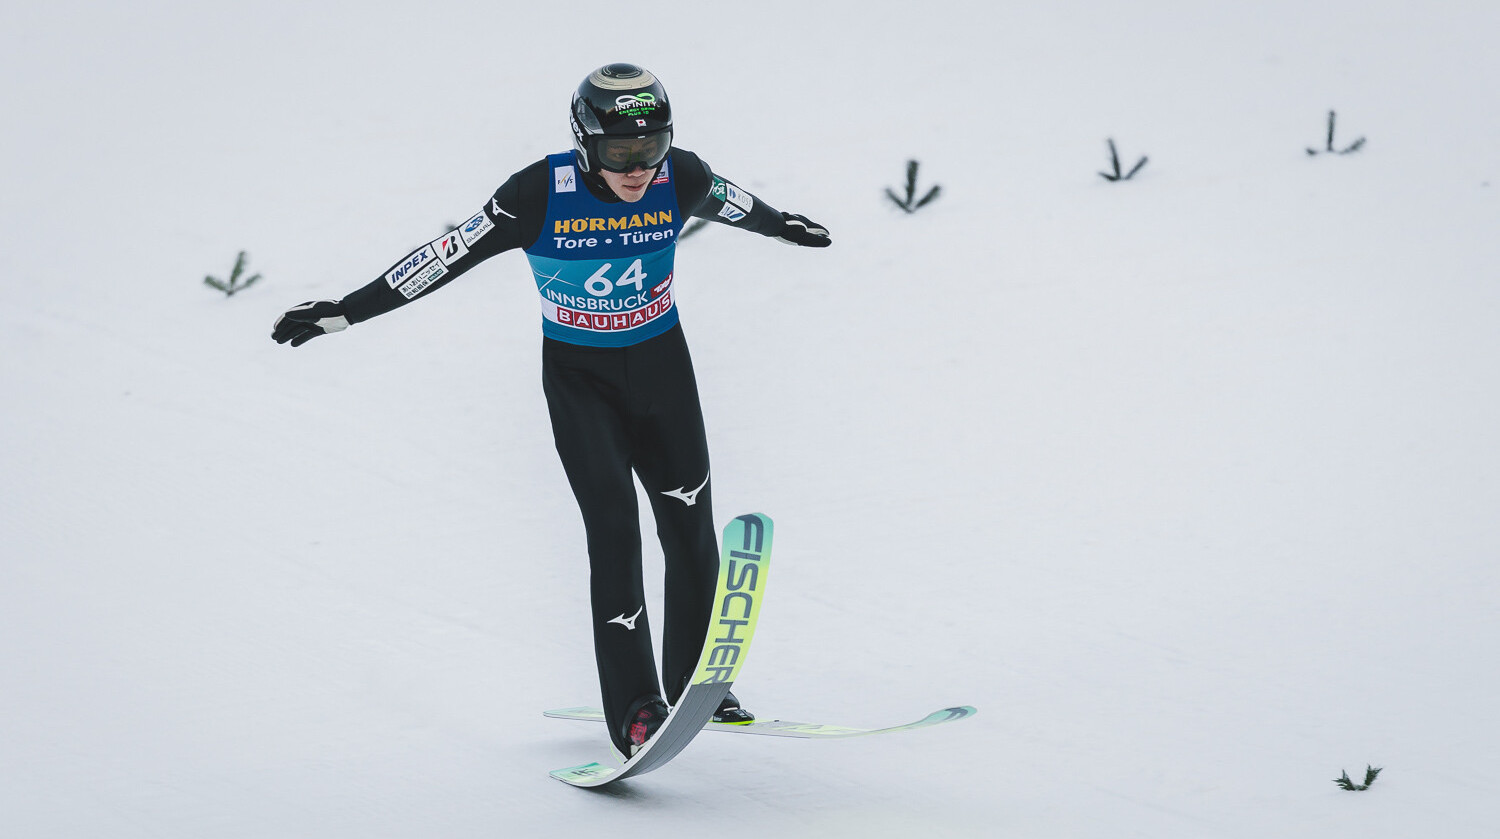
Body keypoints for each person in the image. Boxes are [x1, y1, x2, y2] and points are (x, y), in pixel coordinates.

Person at [272, 63, 830, 758]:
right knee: (615, 533)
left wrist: (782, 226)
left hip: (662, 368)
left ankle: (697, 682)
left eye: (652, 146)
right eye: (621, 152)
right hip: (580, 381)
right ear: (585, 142)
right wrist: (346, 311)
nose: (638, 167)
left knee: (689, 524)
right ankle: (635, 707)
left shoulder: (676, 176)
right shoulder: (537, 195)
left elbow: (730, 199)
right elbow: (443, 258)